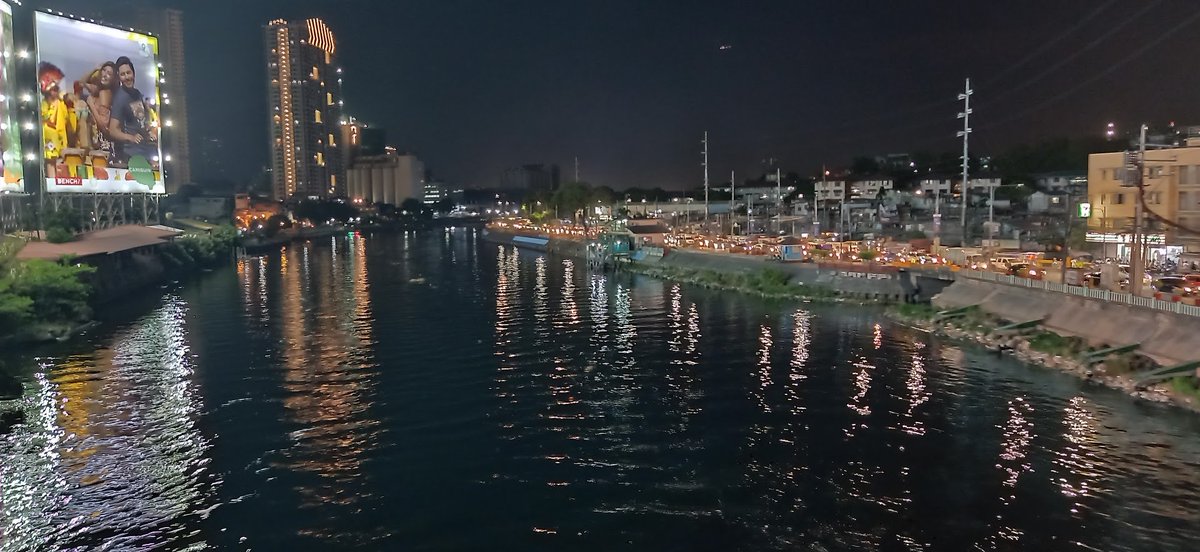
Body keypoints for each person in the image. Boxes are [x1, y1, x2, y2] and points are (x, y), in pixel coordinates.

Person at [108, 56, 158, 166]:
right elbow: (112, 130)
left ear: (133, 74)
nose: (126, 77)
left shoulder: (137, 94)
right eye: (122, 74)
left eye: (128, 73)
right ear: (119, 78)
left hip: (145, 153)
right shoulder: (120, 98)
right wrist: (130, 137)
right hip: (129, 156)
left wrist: (149, 131)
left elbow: (139, 121)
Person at [76, 61, 117, 156]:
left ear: (113, 79)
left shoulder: (106, 94)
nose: (105, 75)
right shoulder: (98, 89)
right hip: (94, 139)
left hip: (103, 144)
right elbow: (81, 82)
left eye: (109, 74)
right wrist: (95, 69)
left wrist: (91, 105)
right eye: (104, 71)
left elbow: (104, 126)